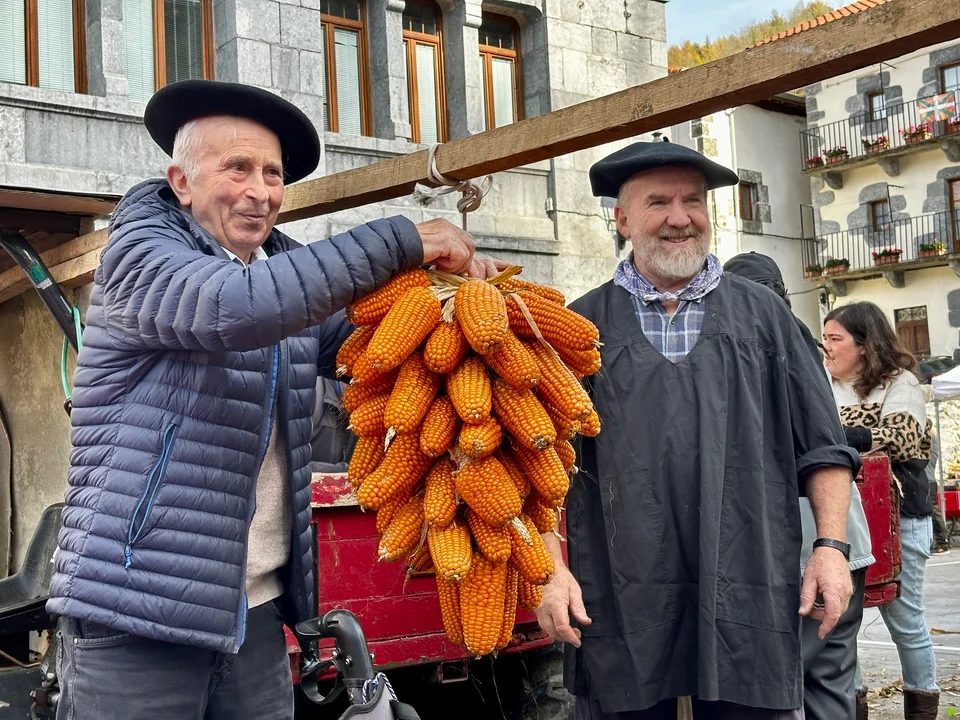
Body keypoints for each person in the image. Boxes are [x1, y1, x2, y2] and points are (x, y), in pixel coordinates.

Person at [46, 79, 501, 720]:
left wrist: (462, 307)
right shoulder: (142, 255)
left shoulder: (284, 275)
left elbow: (369, 348)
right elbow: (236, 307)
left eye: (273, 174)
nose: (259, 191)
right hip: (137, 613)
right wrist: (404, 240)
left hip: (253, 614)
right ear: (181, 181)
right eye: (237, 168)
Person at [536, 141, 861, 720]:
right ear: (622, 219)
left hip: (748, 586)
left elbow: (824, 446)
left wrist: (831, 549)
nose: (680, 217)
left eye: (692, 201)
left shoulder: (765, 318)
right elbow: (537, 469)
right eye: (658, 202)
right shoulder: (577, 328)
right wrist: (549, 570)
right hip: (620, 594)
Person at [724, 252, 874, 720]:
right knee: (831, 683)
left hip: (800, 553)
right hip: (847, 546)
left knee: (782, 689)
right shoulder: (808, 344)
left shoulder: (748, 350)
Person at [822, 302, 938, 720]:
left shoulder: (899, 383)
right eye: (825, 337)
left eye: (835, 338)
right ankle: (853, 709)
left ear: (865, 345)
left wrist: (839, 435)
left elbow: (902, 437)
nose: (826, 346)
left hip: (899, 518)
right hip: (843, 520)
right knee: (841, 621)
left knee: (905, 621)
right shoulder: (822, 384)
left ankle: (921, 709)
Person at [927, 434, 950, 555]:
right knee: (931, 511)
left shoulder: (931, 438)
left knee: (933, 511)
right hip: (927, 480)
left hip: (928, 480)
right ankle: (938, 542)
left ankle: (942, 543)